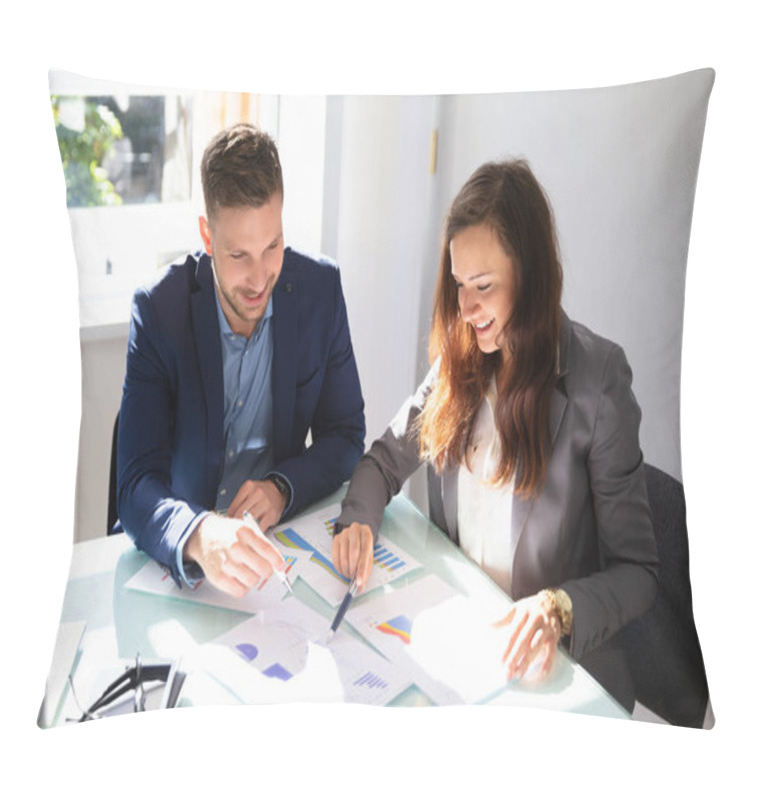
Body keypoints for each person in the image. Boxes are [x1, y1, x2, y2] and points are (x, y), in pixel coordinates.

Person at [331, 159, 658, 711]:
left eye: (483, 286)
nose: (465, 309)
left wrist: (558, 608)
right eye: (459, 285)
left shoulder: (597, 384)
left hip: (553, 678)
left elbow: (640, 574)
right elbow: (383, 463)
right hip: (465, 650)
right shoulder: (461, 362)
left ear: (530, 278)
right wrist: (357, 519)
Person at [117, 123, 366, 598]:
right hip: (183, 570)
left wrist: (282, 487)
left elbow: (346, 435)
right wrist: (199, 533)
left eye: (272, 246)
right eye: (238, 255)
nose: (259, 278)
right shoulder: (158, 311)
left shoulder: (320, 291)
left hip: (276, 558)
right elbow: (133, 485)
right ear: (207, 237)